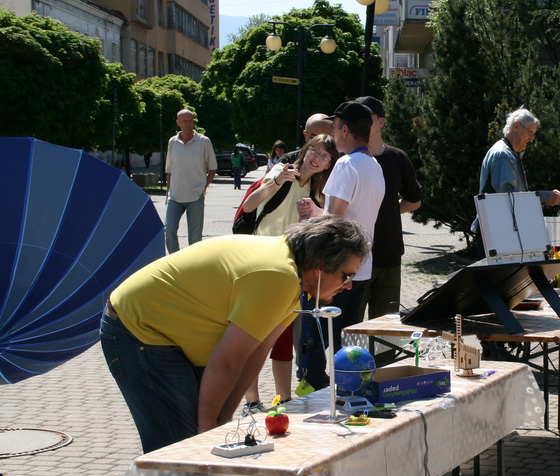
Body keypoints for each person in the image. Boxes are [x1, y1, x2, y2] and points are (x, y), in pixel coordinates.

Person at [100, 215, 370, 453]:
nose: (348, 286)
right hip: (139, 329)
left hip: (164, 333)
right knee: (180, 445)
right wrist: (209, 428)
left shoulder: (294, 283)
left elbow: (254, 355)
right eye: (347, 276)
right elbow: (227, 361)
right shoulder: (277, 276)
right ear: (320, 265)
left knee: (199, 438)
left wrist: (222, 420)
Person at [238, 135, 339, 413]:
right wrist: (276, 181)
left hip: (292, 266)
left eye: (325, 156)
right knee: (254, 334)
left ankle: (284, 399)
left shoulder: (320, 190)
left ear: (329, 164)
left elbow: (326, 228)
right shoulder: (282, 171)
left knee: (282, 336)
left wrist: (317, 216)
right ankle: (251, 401)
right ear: (305, 150)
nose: (316, 158)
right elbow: (248, 206)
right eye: (314, 151)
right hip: (260, 262)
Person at [296, 101, 385, 390]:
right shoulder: (374, 165)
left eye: (334, 128)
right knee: (346, 336)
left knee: (316, 335)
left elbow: (333, 221)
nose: (333, 135)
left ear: (344, 129)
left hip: (334, 269)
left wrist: (312, 213)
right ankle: (347, 388)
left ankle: (314, 390)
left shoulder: (347, 164)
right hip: (361, 266)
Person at [354, 96, 423, 324]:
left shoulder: (397, 158)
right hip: (353, 258)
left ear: (381, 122)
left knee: (386, 330)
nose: (360, 122)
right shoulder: (346, 160)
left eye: (367, 117)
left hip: (388, 257)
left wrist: (388, 211)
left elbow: (415, 200)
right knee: (349, 328)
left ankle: (385, 362)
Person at [470, 107, 560, 257]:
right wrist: (546, 197)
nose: (532, 139)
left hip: (499, 230)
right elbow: (508, 198)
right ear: (516, 126)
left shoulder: (510, 154)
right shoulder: (503, 155)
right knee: (498, 279)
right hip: (496, 232)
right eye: (530, 133)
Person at [164, 109, 217, 254]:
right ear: (178, 123)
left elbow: (212, 169)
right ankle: (175, 261)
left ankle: (192, 267)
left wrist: (203, 188)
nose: (188, 124)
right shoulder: (172, 142)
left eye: (191, 120)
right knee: (169, 230)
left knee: (195, 239)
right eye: (185, 121)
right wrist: (168, 192)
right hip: (175, 196)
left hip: (195, 196)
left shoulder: (203, 141)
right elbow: (169, 170)